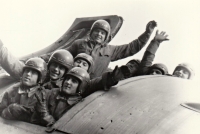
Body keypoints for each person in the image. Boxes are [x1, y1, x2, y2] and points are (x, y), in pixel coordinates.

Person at [41, 19, 157, 79]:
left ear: (106, 36)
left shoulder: (111, 50)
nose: (99, 34)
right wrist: (40, 59)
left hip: (93, 87)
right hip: (73, 81)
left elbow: (132, 47)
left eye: (102, 33)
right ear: (92, 32)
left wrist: (148, 33)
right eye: (97, 31)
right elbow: (60, 55)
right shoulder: (79, 43)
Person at [0, 57, 47, 122]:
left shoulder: (43, 95)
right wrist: (9, 111)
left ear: (40, 77)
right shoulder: (12, 90)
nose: (28, 74)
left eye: (33, 72)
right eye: (27, 71)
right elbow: (1, 111)